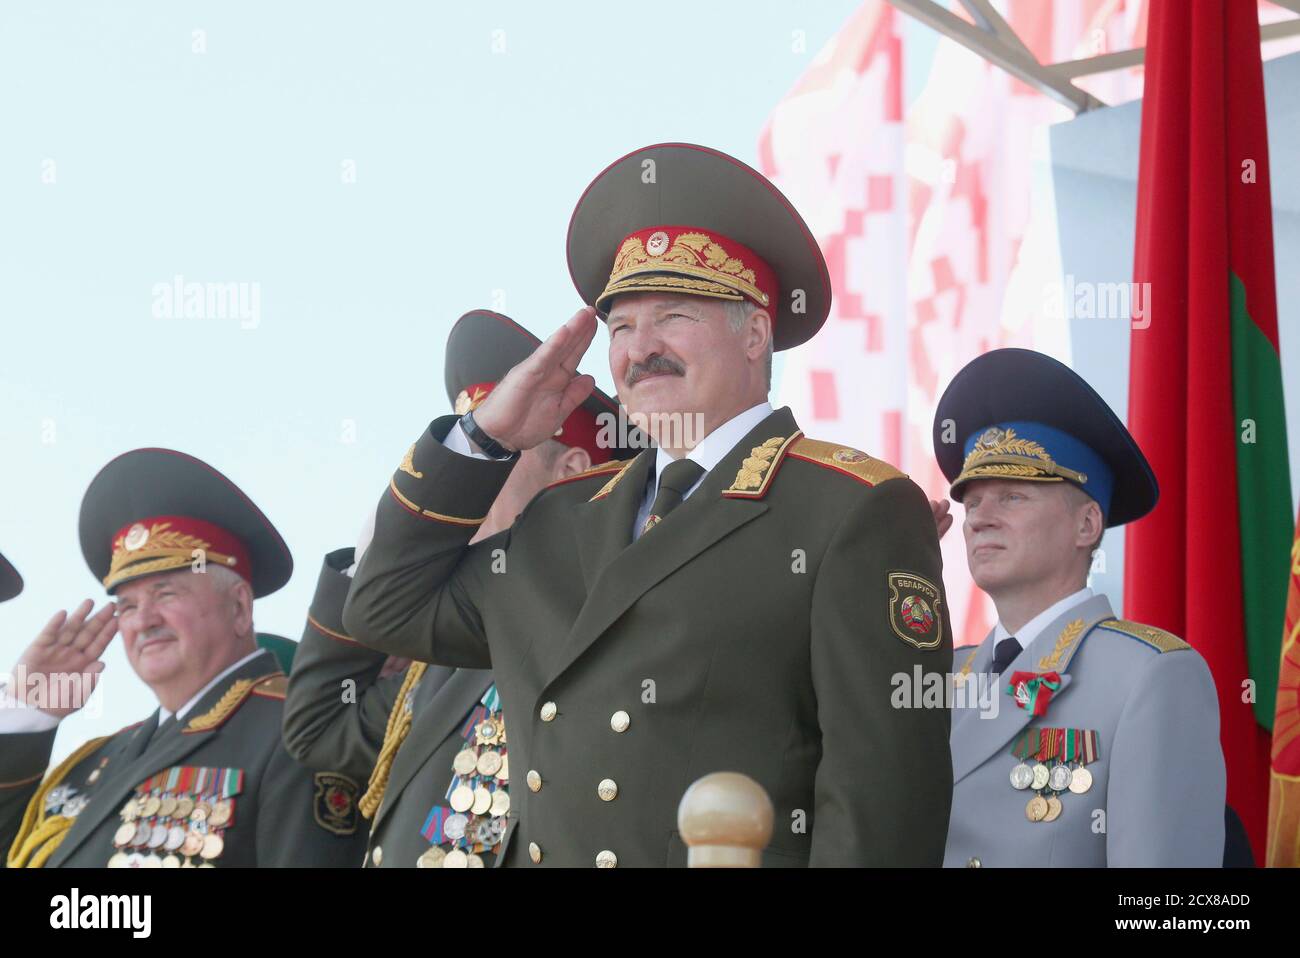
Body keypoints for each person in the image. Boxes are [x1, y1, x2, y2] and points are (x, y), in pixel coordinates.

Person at [344, 143, 953, 867]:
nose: (641, 349)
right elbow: (381, 606)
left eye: (673, 316)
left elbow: (880, 803)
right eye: (622, 328)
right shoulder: (557, 520)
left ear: (754, 331)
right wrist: (487, 436)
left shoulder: (848, 510)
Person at [283, 309, 636, 867]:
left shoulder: (600, 613)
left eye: (501, 449)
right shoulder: (445, 663)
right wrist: (379, 548)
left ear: (570, 469)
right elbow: (320, 730)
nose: (472, 477)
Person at [0, 448, 368, 868]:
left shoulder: (301, 732)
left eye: (166, 594)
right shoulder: (91, 763)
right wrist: (26, 714)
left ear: (240, 607)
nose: (144, 621)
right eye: (128, 606)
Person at [933, 348, 1225, 867]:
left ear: (1087, 525)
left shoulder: (1151, 677)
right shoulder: (944, 673)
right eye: (972, 502)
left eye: (1012, 497)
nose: (980, 518)